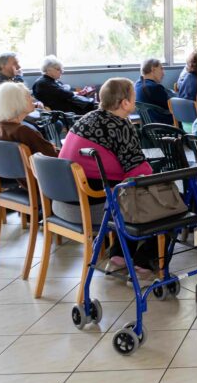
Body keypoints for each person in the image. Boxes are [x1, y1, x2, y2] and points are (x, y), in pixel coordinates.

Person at [60, 78, 156, 272]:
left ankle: (119, 255)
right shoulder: (120, 126)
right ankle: (144, 260)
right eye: (133, 97)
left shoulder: (88, 118)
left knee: (130, 191)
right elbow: (139, 171)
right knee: (160, 199)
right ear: (125, 103)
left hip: (63, 199)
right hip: (93, 203)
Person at [0, 83, 57, 158]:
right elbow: (52, 157)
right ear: (17, 103)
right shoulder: (23, 131)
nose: (33, 99)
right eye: (29, 96)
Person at [31, 56, 97, 115]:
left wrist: (81, 92)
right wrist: (79, 93)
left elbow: (66, 92)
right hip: (64, 112)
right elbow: (66, 94)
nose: (62, 71)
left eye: (61, 69)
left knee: (93, 105)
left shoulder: (50, 81)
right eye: (58, 69)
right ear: (48, 69)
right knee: (93, 108)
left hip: (67, 107)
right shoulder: (43, 83)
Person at [134, 58, 173, 124]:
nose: (163, 73)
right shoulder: (154, 87)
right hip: (163, 124)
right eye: (161, 69)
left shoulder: (137, 85)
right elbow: (172, 106)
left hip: (148, 125)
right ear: (153, 70)